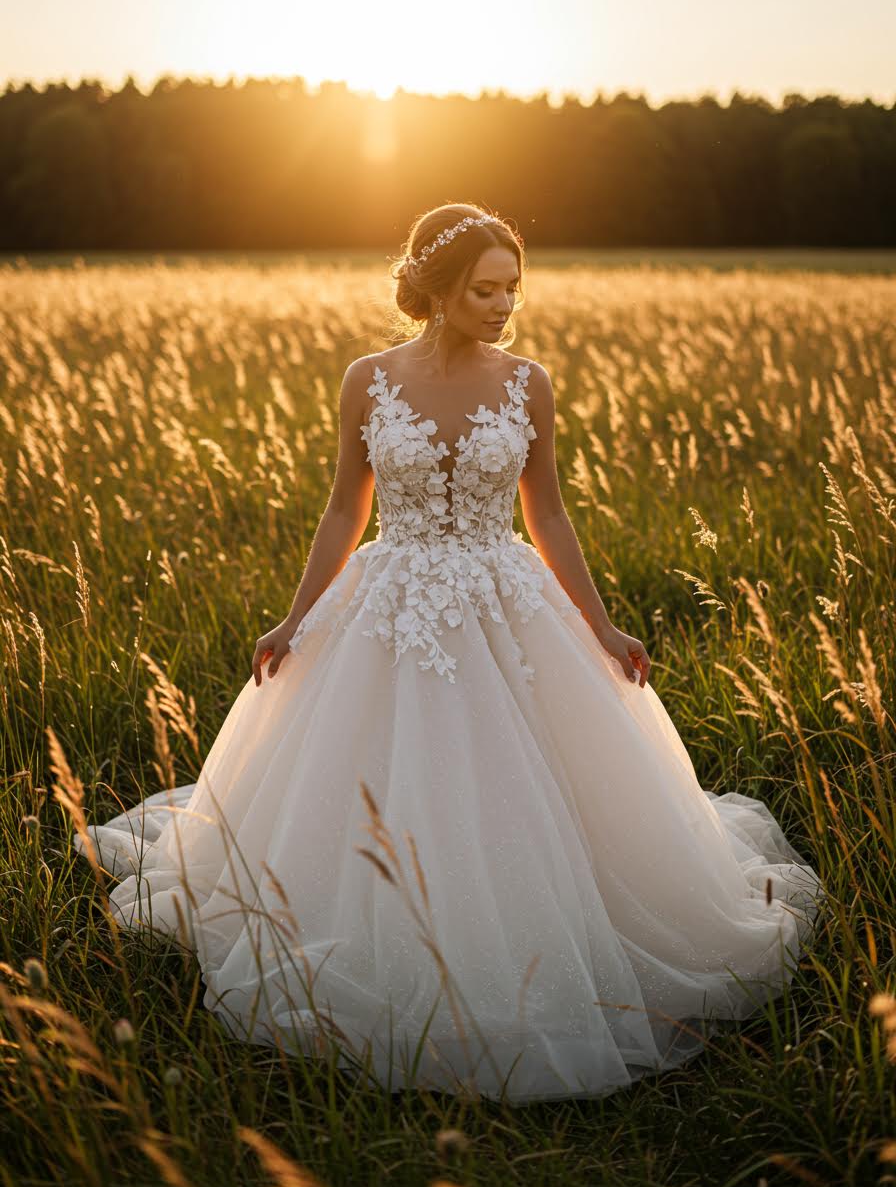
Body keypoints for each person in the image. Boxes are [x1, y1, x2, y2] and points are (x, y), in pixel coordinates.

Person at [75, 202, 825, 1106]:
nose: (505, 303)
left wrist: (602, 624)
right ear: (436, 289)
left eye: (513, 286)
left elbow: (546, 514)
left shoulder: (528, 382)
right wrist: (294, 617)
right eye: (485, 288)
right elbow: (344, 511)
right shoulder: (368, 378)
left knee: (533, 784)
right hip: (388, 600)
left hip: (507, 601)